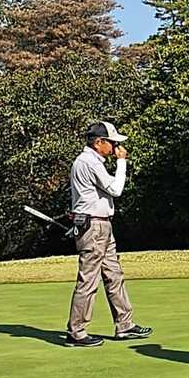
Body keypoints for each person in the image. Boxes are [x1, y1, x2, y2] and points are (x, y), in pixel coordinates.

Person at [65, 121, 152, 346]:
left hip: (102, 225)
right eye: (111, 143)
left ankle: (125, 325)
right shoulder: (88, 162)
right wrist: (122, 162)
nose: (115, 147)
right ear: (98, 142)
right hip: (94, 226)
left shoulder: (93, 161)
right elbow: (115, 189)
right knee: (89, 279)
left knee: (114, 275)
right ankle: (76, 332)